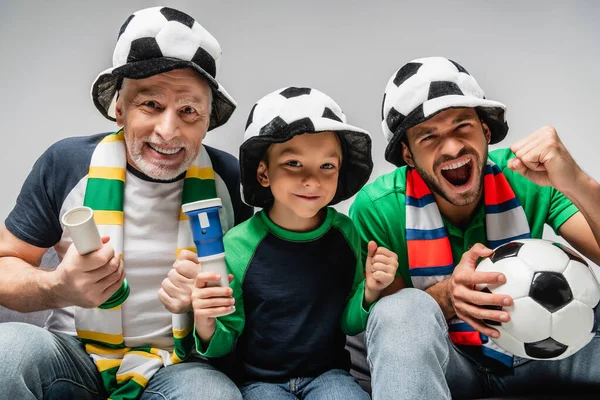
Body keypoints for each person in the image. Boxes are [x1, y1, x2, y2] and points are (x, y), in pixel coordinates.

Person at [0, 6, 252, 400]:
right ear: (118, 108)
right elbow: (4, 263)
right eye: (151, 105)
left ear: (208, 121)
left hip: (177, 364)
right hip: (73, 355)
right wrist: (58, 286)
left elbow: (253, 287)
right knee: (5, 351)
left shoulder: (232, 181)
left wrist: (202, 304)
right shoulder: (66, 164)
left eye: (189, 111)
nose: (168, 131)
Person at [347, 56, 600, 399]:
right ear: (407, 155)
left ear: (485, 130)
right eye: (429, 137)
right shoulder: (378, 208)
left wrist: (577, 182)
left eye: (462, 126)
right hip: (451, 365)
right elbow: (397, 329)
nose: (451, 147)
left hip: (543, 354)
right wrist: (450, 296)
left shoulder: (531, 177)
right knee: (400, 309)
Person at [190, 87, 399, 399]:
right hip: (259, 383)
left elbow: (349, 322)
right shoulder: (237, 246)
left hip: (329, 376)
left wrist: (370, 291)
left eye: (327, 166)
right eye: (293, 163)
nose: (312, 180)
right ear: (263, 172)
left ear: (340, 171)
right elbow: (224, 341)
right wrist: (205, 321)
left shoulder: (345, 232)